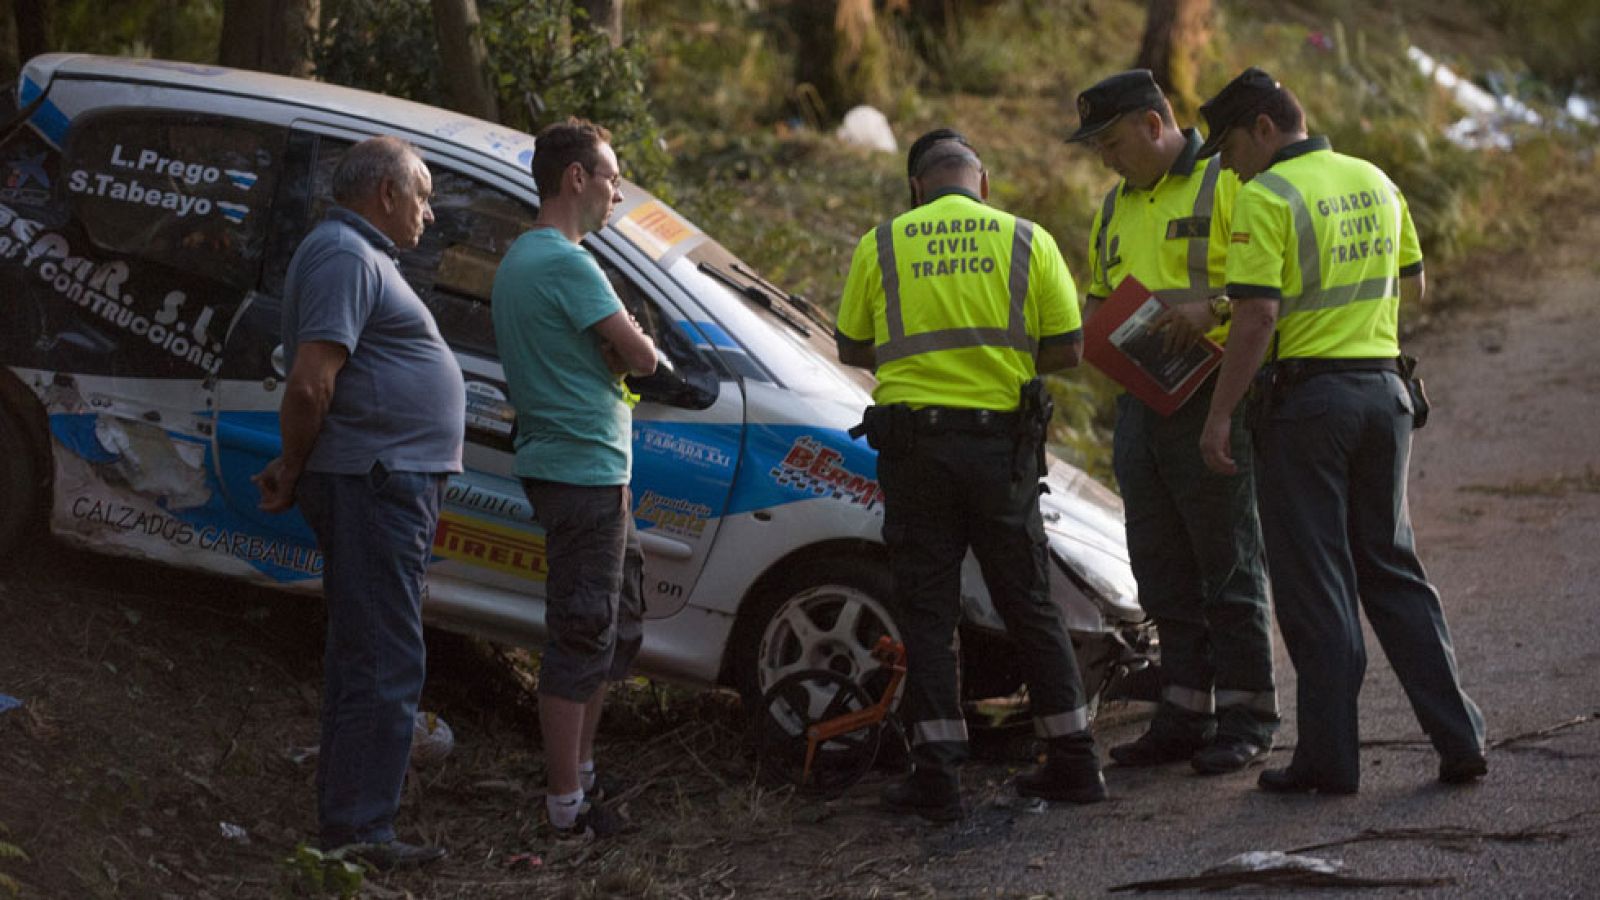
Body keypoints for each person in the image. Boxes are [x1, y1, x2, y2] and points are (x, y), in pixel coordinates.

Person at [1194, 67, 1487, 794]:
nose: (1228, 165)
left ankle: (1328, 760)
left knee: (1316, 581)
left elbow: (1259, 316)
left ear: (1264, 127)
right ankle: (1461, 738)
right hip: (1385, 394)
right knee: (1392, 568)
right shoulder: (1375, 178)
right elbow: (1413, 281)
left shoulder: (1267, 196)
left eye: (1229, 148)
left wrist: (1222, 413)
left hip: (1309, 407)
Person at [836, 128, 1107, 821]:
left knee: (928, 613)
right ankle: (1075, 760)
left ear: (917, 188)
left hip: (916, 453)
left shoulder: (883, 243)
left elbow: (850, 343)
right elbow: (1069, 350)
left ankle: (939, 776)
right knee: (1029, 601)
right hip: (1001, 453)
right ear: (981, 184)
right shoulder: (1028, 240)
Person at [253, 136, 462, 869]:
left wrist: (298, 463)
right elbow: (311, 382)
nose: (429, 214)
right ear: (386, 193)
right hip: (374, 482)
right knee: (383, 659)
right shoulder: (345, 254)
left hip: (378, 480)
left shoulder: (354, 254)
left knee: (364, 653)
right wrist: (295, 461)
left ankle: (349, 824)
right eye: (424, 195)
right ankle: (360, 834)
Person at [1065, 70, 1278, 775]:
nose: (1105, 159)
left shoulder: (1227, 181)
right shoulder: (1113, 207)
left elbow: (1267, 286)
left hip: (1214, 396)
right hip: (1141, 404)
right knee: (1159, 562)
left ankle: (1249, 715)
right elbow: (1099, 298)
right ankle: (1186, 712)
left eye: (1112, 142)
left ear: (1154, 124)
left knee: (1227, 559)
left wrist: (1212, 307)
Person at [490, 118, 657, 838]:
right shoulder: (564, 262)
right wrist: (628, 346)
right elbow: (644, 358)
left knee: (614, 623)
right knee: (584, 630)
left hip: (586, 467)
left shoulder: (528, 258)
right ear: (576, 178)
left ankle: (582, 777)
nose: (618, 190)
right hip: (579, 469)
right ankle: (565, 805)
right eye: (613, 177)